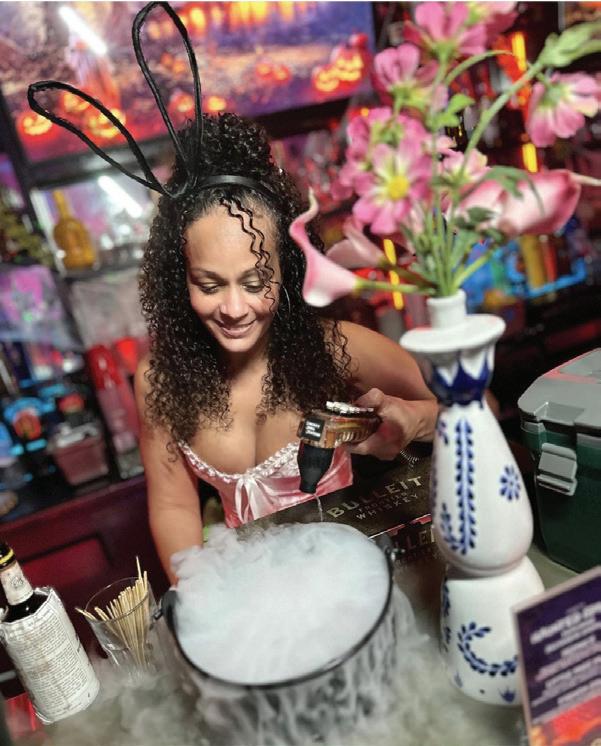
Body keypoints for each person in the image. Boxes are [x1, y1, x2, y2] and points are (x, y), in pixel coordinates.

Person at [134, 113, 438, 582]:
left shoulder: (337, 348)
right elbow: (174, 504)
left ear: (287, 270)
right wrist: (201, 603)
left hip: (351, 579)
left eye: (256, 282)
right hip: (254, 593)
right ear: (181, 279)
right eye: (209, 284)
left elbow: (465, 410)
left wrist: (412, 420)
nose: (234, 308)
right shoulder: (160, 380)